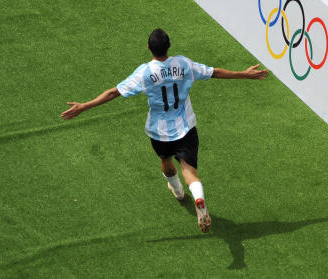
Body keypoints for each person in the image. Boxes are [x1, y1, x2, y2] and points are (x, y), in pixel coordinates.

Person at [60, 29, 268, 233]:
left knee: (166, 162)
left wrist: (84, 106)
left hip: (159, 133)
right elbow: (214, 72)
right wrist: (244, 74)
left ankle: (177, 191)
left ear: (149, 47)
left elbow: (114, 92)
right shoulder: (183, 64)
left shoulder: (145, 72)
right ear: (169, 46)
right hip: (185, 129)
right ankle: (198, 197)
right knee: (190, 172)